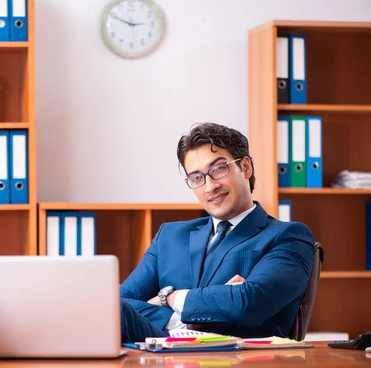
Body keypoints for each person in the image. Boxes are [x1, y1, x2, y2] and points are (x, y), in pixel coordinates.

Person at [119, 122, 315, 342]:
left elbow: (247, 303)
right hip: (164, 359)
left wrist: (169, 297)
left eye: (219, 169)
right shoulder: (170, 237)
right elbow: (119, 304)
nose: (210, 186)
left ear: (246, 168)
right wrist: (184, 320)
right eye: (196, 178)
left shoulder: (288, 237)